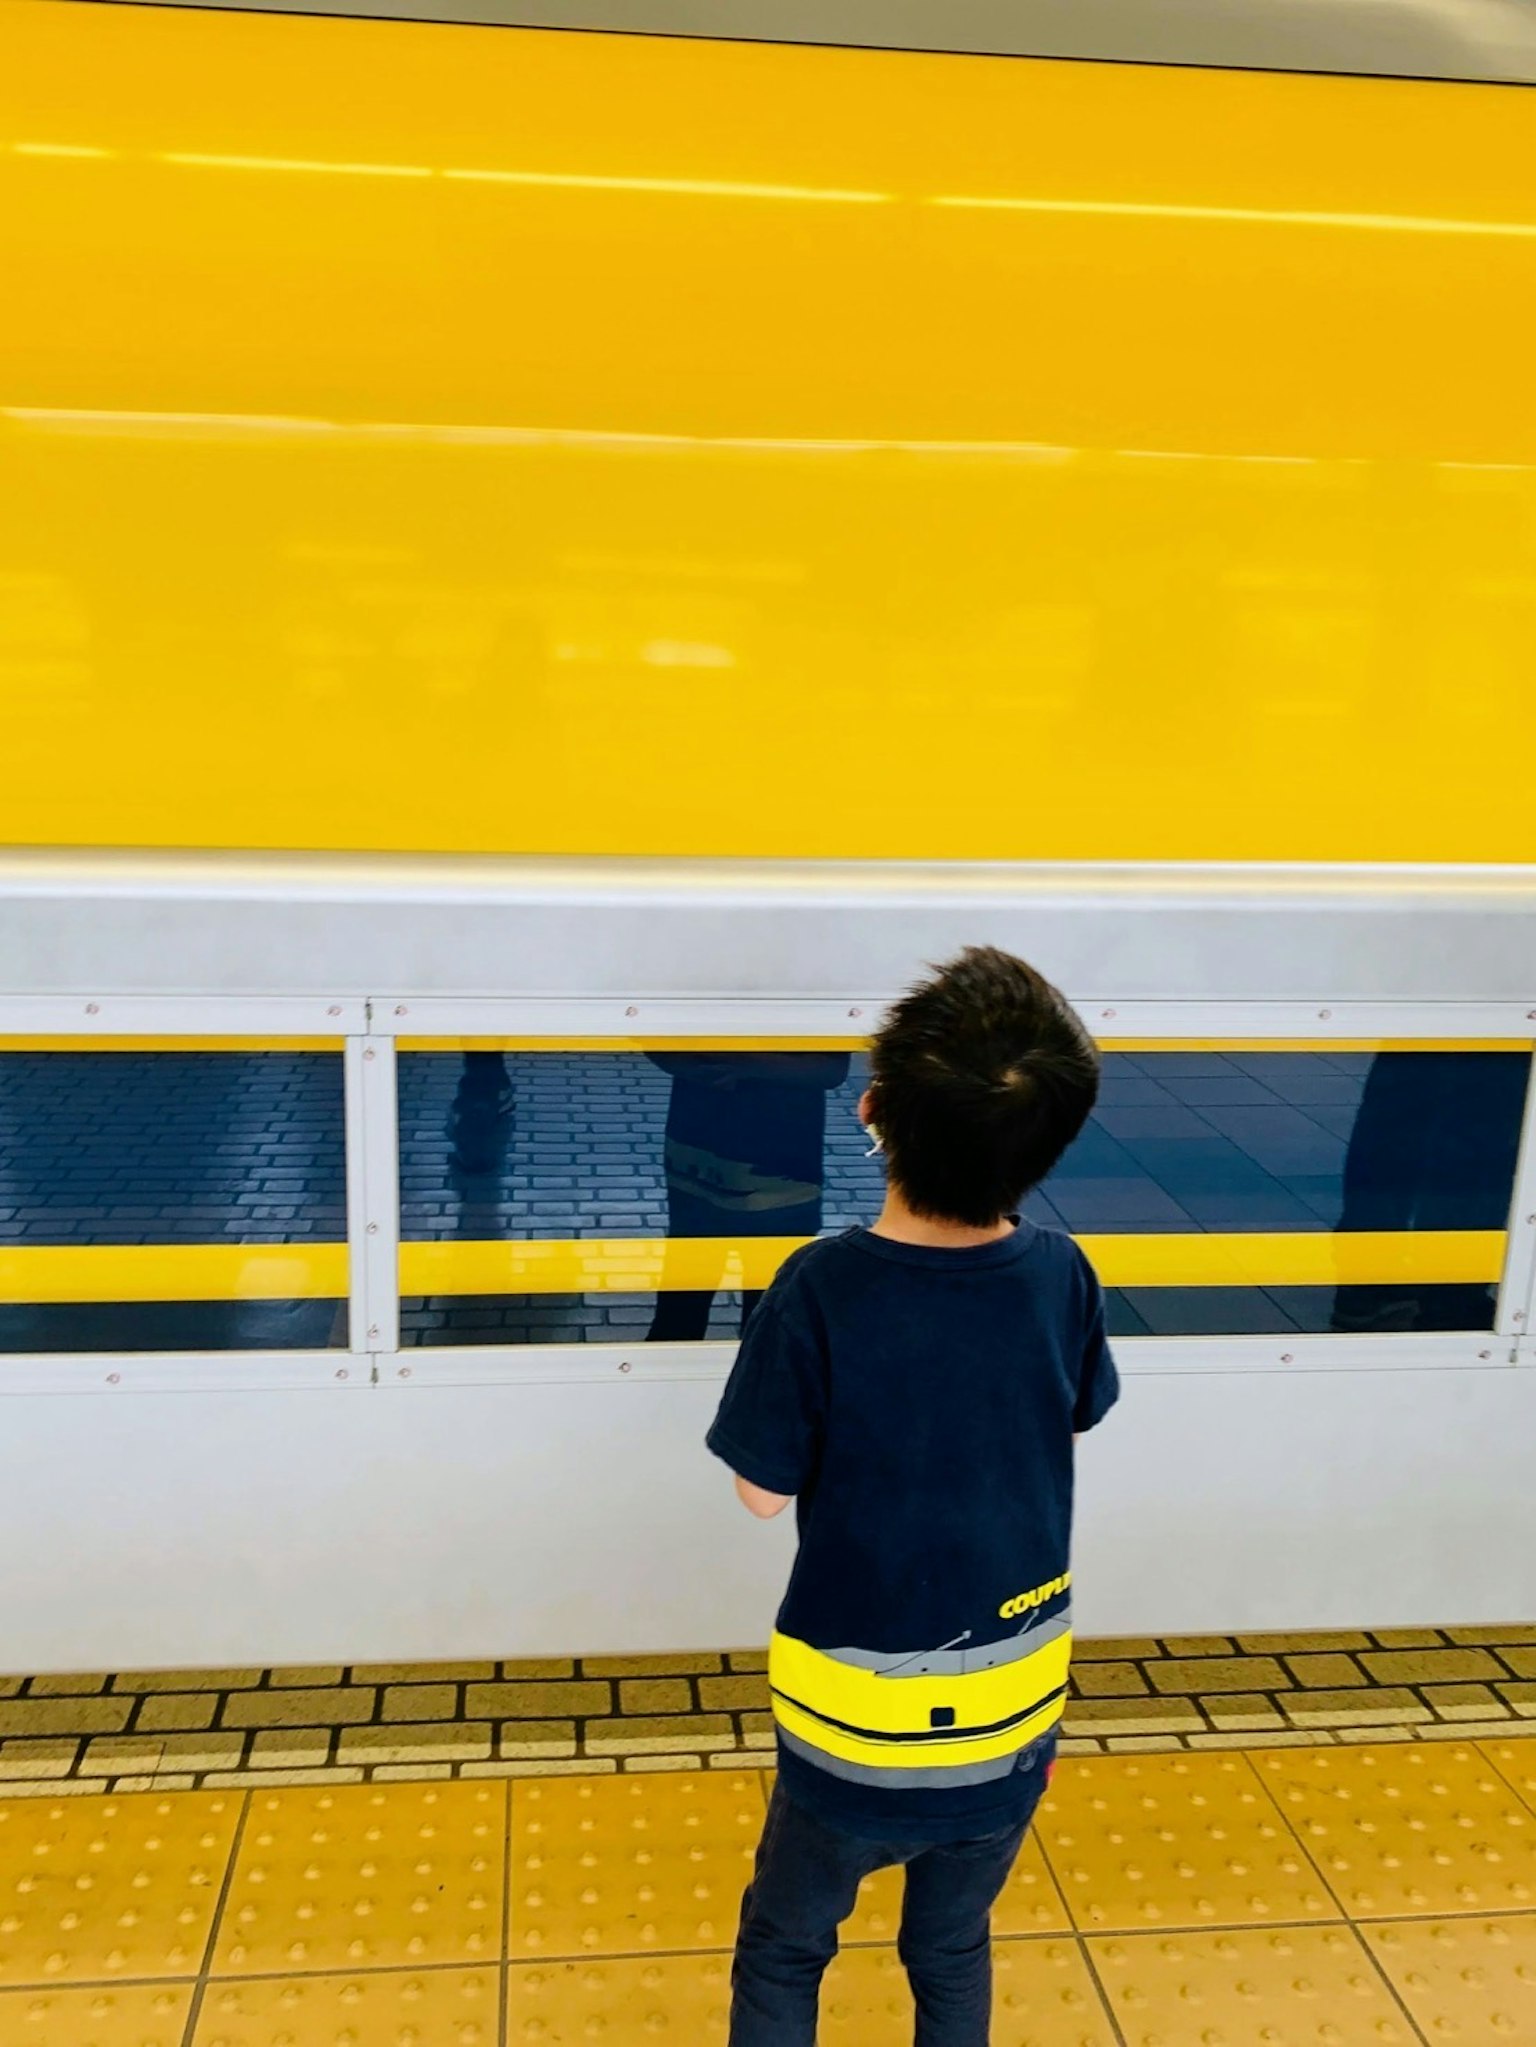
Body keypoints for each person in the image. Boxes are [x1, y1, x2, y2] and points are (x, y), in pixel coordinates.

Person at [705, 947, 1119, 2047]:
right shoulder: (1063, 1273)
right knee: (949, 1943)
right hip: (1017, 1700)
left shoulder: (821, 1288)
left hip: (855, 1714)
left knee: (788, 1943)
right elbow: (1076, 1408)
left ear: (874, 1110)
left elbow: (759, 1491)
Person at [645, 1050, 851, 1342]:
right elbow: (830, 1070)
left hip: (742, 1167)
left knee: (690, 1317)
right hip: (762, 1169)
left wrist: (723, 1063)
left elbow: (831, 1071)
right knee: (694, 1316)